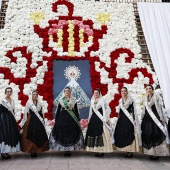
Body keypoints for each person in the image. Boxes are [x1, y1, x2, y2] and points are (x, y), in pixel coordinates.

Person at [49, 87, 84, 156]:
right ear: (64, 93)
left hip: (72, 118)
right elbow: (58, 110)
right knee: (63, 133)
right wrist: (56, 120)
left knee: (71, 133)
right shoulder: (61, 100)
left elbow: (76, 111)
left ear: (70, 92)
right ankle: (65, 150)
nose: (67, 93)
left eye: (68, 91)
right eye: (65, 91)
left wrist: (78, 119)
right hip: (63, 117)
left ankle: (70, 150)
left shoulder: (74, 100)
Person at [141, 84, 169, 160]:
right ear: (146, 90)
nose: (148, 90)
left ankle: (157, 154)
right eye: (147, 89)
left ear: (152, 89)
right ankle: (151, 153)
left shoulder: (157, 97)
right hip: (147, 118)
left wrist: (161, 118)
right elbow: (144, 109)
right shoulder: (145, 98)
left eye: (150, 88)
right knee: (148, 134)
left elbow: (160, 108)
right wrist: (142, 117)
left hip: (155, 117)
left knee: (156, 134)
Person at [20, 90, 49, 157]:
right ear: (31, 95)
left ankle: (38, 150)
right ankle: (32, 151)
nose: (35, 95)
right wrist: (24, 122)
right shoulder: (29, 102)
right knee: (31, 134)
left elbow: (41, 112)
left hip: (38, 121)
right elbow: (25, 113)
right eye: (33, 94)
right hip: (31, 120)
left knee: (38, 134)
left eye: (36, 94)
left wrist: (43, 120)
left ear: (37, 95)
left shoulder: (39, 103)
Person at [114, 87, 141, 158]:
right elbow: (120, 111)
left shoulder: (131, 100)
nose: (123, 92)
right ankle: (126, 150)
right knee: (123, 134)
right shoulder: (120, 100)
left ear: (127, 92)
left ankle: (130, 151)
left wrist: (135, 120)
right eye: (122, 91)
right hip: (122, 119)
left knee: (130, 133)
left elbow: (134, 110)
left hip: (129, 119)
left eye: (124, 91)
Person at [85, 89, 113, 157]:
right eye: (95, 93)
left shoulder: (102, 100)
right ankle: (95, 150)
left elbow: (105, 110)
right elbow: (91, 111)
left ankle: (101, 150)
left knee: (101, 134)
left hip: (100, 119)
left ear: (99, 93)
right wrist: (89, 119)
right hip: (93, 119)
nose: (96, 94)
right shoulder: (92, 101)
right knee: (93, 133)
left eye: (97, 93)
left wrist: (105, 119)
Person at [0, 87, 20, 159]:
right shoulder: (3, 101)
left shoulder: (12, 100)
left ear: (11, 93)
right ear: (5, 92)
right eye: (7, 91)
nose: (9, 93)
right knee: (5, 134)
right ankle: (3, 152)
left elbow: (13, 111)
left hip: (11, 119)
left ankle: (7, 152)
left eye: (10, 91)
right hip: (4, 119)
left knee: (10, 134)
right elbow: (1, 111)